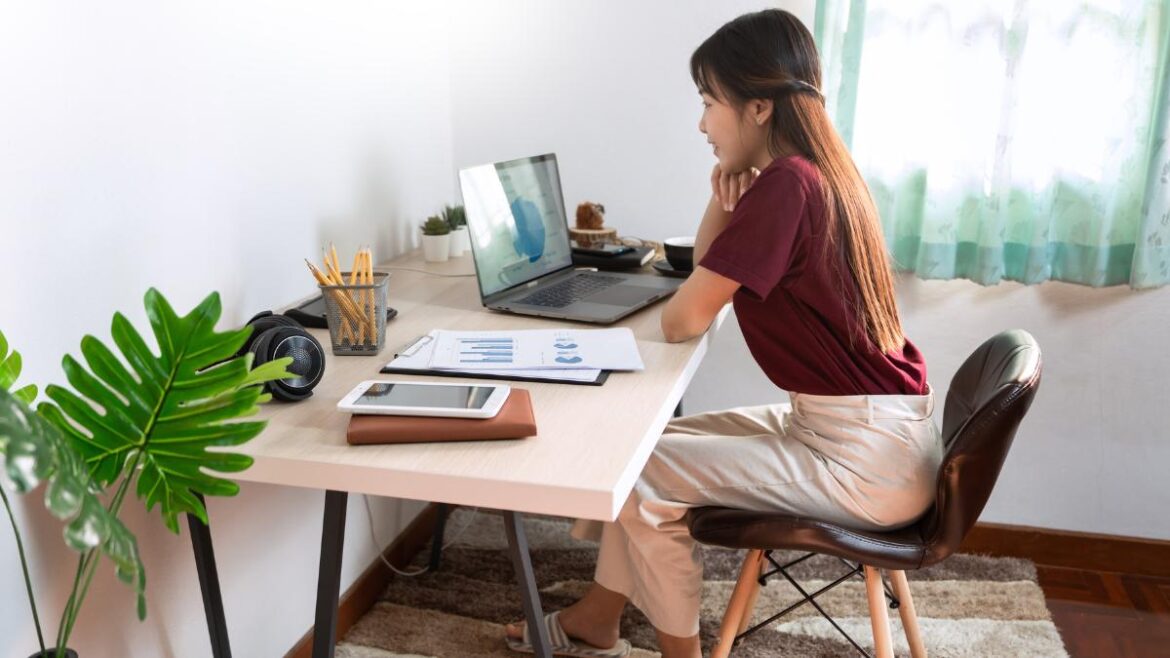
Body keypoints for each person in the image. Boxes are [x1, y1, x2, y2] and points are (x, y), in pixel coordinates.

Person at [505, 8, 941, 658]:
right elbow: (708, 275)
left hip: (858, 458)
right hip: (879, 437)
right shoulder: (815, 174)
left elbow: (684, 318)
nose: (702, 122)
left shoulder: (788, 187)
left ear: (759, 107)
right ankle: (600, 616)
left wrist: (735, 205)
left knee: (640, 472)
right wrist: (725, 197)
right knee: (645, 444)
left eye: (710, 102)